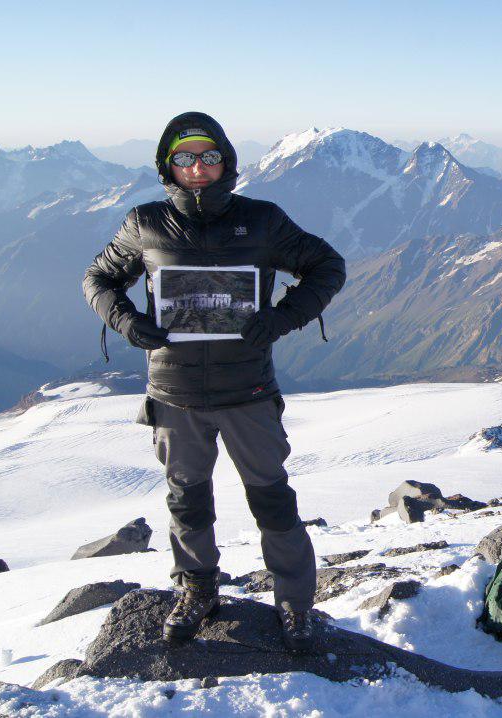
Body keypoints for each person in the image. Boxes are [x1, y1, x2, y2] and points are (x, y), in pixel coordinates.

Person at [82, 111, 346, 651]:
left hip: (246, 390)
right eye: (183, 158)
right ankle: (197, 589)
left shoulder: (263, 220)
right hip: (173, 395)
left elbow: (327, 266)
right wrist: (127, 321)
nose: (196, 167)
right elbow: (99, 279)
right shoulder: (144, 223)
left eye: (208, 156)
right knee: (187, 500)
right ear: (167, 165)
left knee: (273, 501)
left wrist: (281, 317)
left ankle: (295, 605)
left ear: (226, 162)